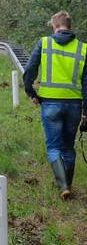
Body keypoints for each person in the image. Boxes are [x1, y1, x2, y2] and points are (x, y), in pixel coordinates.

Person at [23, 11, 87, 199]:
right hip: (74, 105)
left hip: (50, 102)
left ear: (54, 26)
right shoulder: (83, 49)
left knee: (53, 147)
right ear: (70, 26)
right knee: (68, 148)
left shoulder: (44, 43)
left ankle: (63, 186)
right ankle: (66, 185)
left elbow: (29, 71)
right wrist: (86, 112)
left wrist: (31, 92)